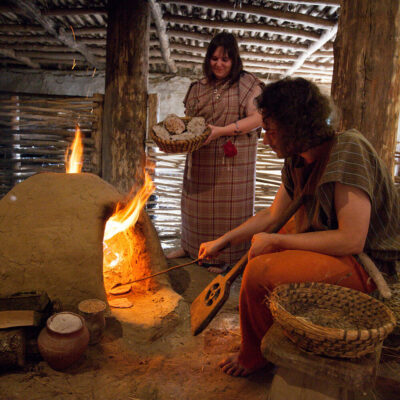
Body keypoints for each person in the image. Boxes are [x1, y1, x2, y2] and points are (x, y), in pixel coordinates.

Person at [198, 77, 400, 377]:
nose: (266, 139)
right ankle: (270, 338)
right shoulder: (298, 161)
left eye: (271, 131)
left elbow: (352, 240)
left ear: (295, 126)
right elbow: (272, 215)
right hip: (343, 253)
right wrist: (223, 240)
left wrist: (278, 243)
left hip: (369, 265)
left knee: (258, 272)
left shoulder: (348, 150)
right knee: (271, 238)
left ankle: (255, 356)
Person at [167, 32, 264, 273]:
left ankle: (227, 258)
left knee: (229, 213)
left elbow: (259, 118)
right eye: (214, 58)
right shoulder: (199, 88)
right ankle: (191, 248)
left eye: (225, 59)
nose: (219, 64)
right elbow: (190, 123)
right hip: (200, 160)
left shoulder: (247, 84)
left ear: (235, 61)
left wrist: (222, 131)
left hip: (232, 164)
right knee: (194, 208)